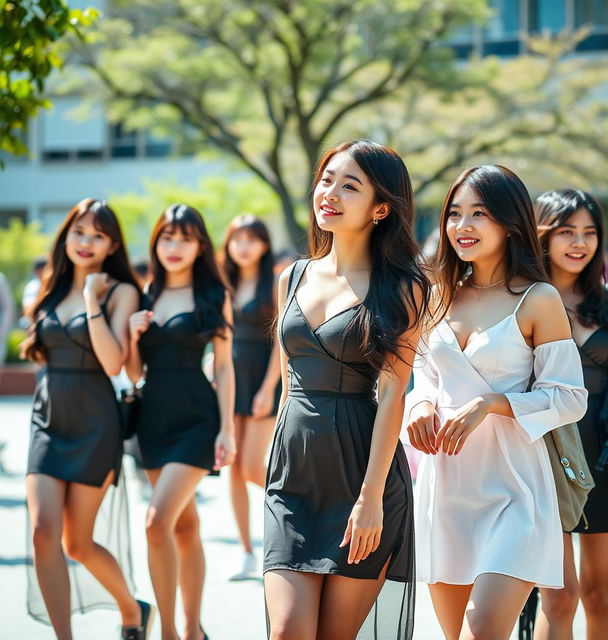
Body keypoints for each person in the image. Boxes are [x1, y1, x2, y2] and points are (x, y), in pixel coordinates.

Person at [405, 166, 588, 640]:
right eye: (454, 214)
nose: (462, 226)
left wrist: (493, 402)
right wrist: (420, 407)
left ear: (509, 222)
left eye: (479, 214)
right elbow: (424, 379)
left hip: (516, 489)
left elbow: (569, 398)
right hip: (447, 486)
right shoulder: (437, 294)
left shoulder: (538, 298)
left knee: (482, 629)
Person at [263, 139, 430, 640]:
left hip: (363, 477)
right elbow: (287, 386)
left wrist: (371, 498)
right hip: (293, 480)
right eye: (326, 179)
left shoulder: (403, 286)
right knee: (287, 630)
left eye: (349, 185)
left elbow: (393, 394)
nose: (329, 193)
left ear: (381, 209)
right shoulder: (290, 278)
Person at [21, 199, 151, 640]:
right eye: (79, 231)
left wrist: (93, 299)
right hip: (47, 418)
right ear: (66, 234)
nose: (85, 242)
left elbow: (114, 363)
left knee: (77, 542)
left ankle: (132, 608)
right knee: (43, 532)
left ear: (112, 244)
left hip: (96, 422)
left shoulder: (120, 292)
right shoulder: (49, 286)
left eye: (97, 235)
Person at [125, 204, 236, 640]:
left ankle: (172, 631)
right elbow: (134, 373)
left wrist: (227, 427)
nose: (174, 247)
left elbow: (225, 367)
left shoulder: (213, 296)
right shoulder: (143, 294)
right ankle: (194, 630)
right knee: (184, 526)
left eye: (185, 239)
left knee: (156, 522)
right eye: (167, 238)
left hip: (197, 419)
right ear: (156, 242)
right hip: (153, 419)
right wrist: (133, 335)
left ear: (199, 246)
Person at [534, 189, 608, 640]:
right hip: (543, 451)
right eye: (566, 231)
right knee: (557, 595)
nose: (579, 242)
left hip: (603, 457)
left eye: (590, 232)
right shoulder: (522, 298)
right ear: (542, 235)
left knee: (599, 593)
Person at [221, 214, 280, 580]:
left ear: (263, 244)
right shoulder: (222, 284)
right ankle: (245, 551)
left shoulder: (274, 283)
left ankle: (295, 508)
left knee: (252, 467)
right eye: (236, 238)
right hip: (229, 382)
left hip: (261, 379)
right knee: (232, 469)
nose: (243, 246)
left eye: (251, 239)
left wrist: (267, 387)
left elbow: (281, 341)